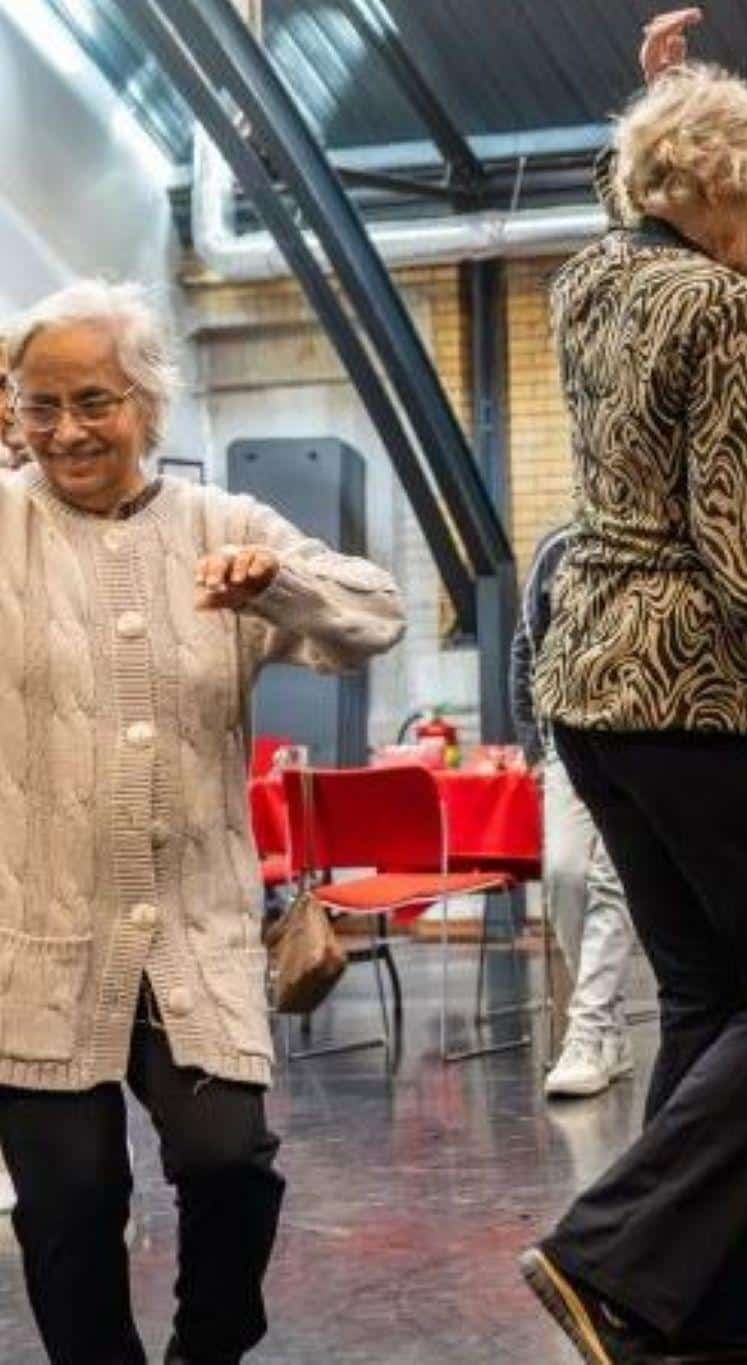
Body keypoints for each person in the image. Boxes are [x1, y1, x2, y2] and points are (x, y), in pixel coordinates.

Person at [516, 11, 747, 1364]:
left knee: (713, 998)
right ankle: (607, 1252)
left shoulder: (589, 282)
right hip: (696, 689)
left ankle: (703, 1308)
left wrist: (662, 105)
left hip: (589, 685)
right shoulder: (725, 306)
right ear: (718, 188)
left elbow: (630, 203)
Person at [0, 279, 404, 1364]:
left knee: (230, 1164)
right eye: (42, 406)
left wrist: (277, 588)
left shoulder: (222, 524)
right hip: (36, 937)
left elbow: (376, 612)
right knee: (70, 1207)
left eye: (94, 401)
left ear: (147, 401)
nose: (68, 431)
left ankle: (209, 1347)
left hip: (192, 926)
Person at [510, 517, 652, 1100]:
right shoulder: (558, 548)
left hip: (644, 745)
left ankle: (588, 1032)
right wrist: (534, 747)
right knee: (564, 875)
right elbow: (527, 650)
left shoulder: (660, 542)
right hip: (568, 747)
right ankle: (609, 1029)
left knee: (613, 879)